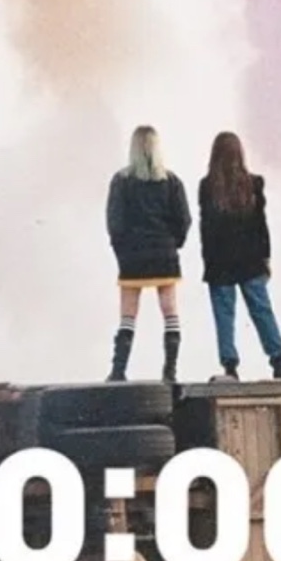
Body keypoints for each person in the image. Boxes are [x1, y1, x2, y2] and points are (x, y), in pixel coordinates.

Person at [199, 132, 281, 383]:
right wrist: (266, 257)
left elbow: (206, 229)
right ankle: (278, 361)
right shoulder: (254, 183)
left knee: (224, 315)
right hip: (251, 259)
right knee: (261, 310)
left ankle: (230, 366)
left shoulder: (208, 186)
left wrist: (207, 261)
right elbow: (261, 226)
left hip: (220, 262)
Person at [105, 126, 191, 383]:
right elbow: (184, 219)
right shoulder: (172, 181)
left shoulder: (121, 181)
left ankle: (118, 370)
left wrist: (120, 250)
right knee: (170, 312)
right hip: (164, 254)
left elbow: (114, 222)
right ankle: (170, 371)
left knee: (128, 315)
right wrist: (174, 244)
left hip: (132, 257)